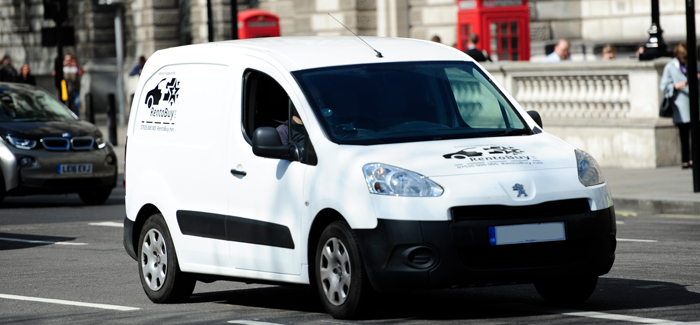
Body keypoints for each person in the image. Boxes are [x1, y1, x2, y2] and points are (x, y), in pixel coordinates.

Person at [660, 42, 700, 169]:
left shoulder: (694, 64)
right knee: (683, 134)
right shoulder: (671, 66)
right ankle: (685, 160)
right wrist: (676, 86)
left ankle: (694, 159)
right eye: (685, 58)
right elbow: (664, 86)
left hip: (694, 103)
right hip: (680, 104)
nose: (686, 60)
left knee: (695, 134)